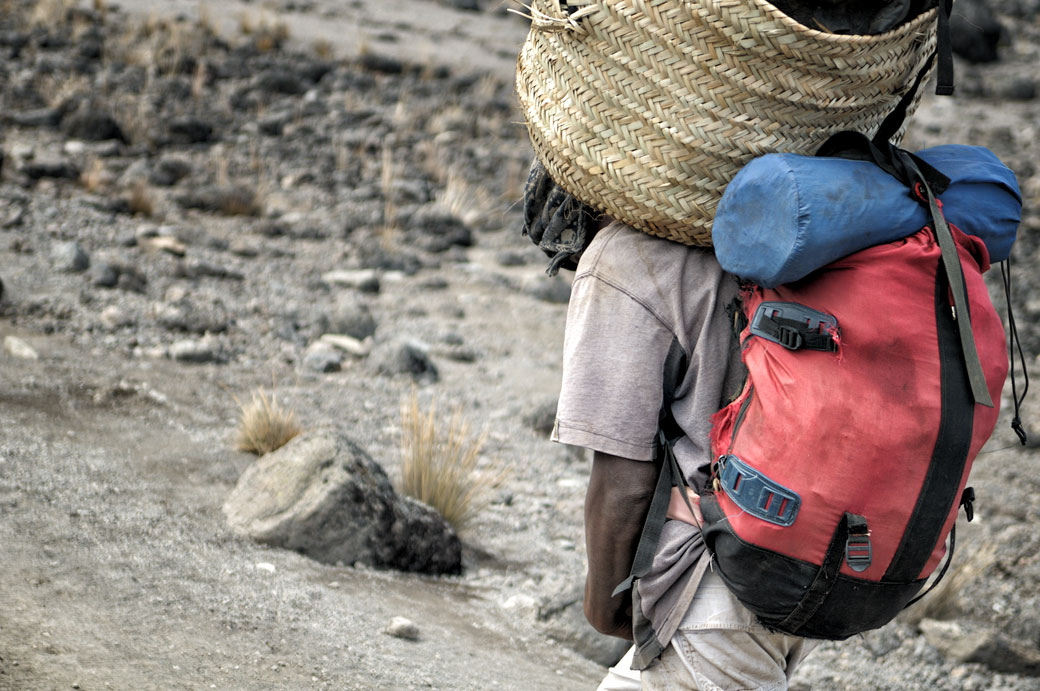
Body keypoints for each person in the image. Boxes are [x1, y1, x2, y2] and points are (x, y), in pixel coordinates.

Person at [521, 2, 941, 688]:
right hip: (790, 565)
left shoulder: (627, 262)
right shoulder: (800, 239)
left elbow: (622, 482)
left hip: (714, 591)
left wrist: (605, 608)